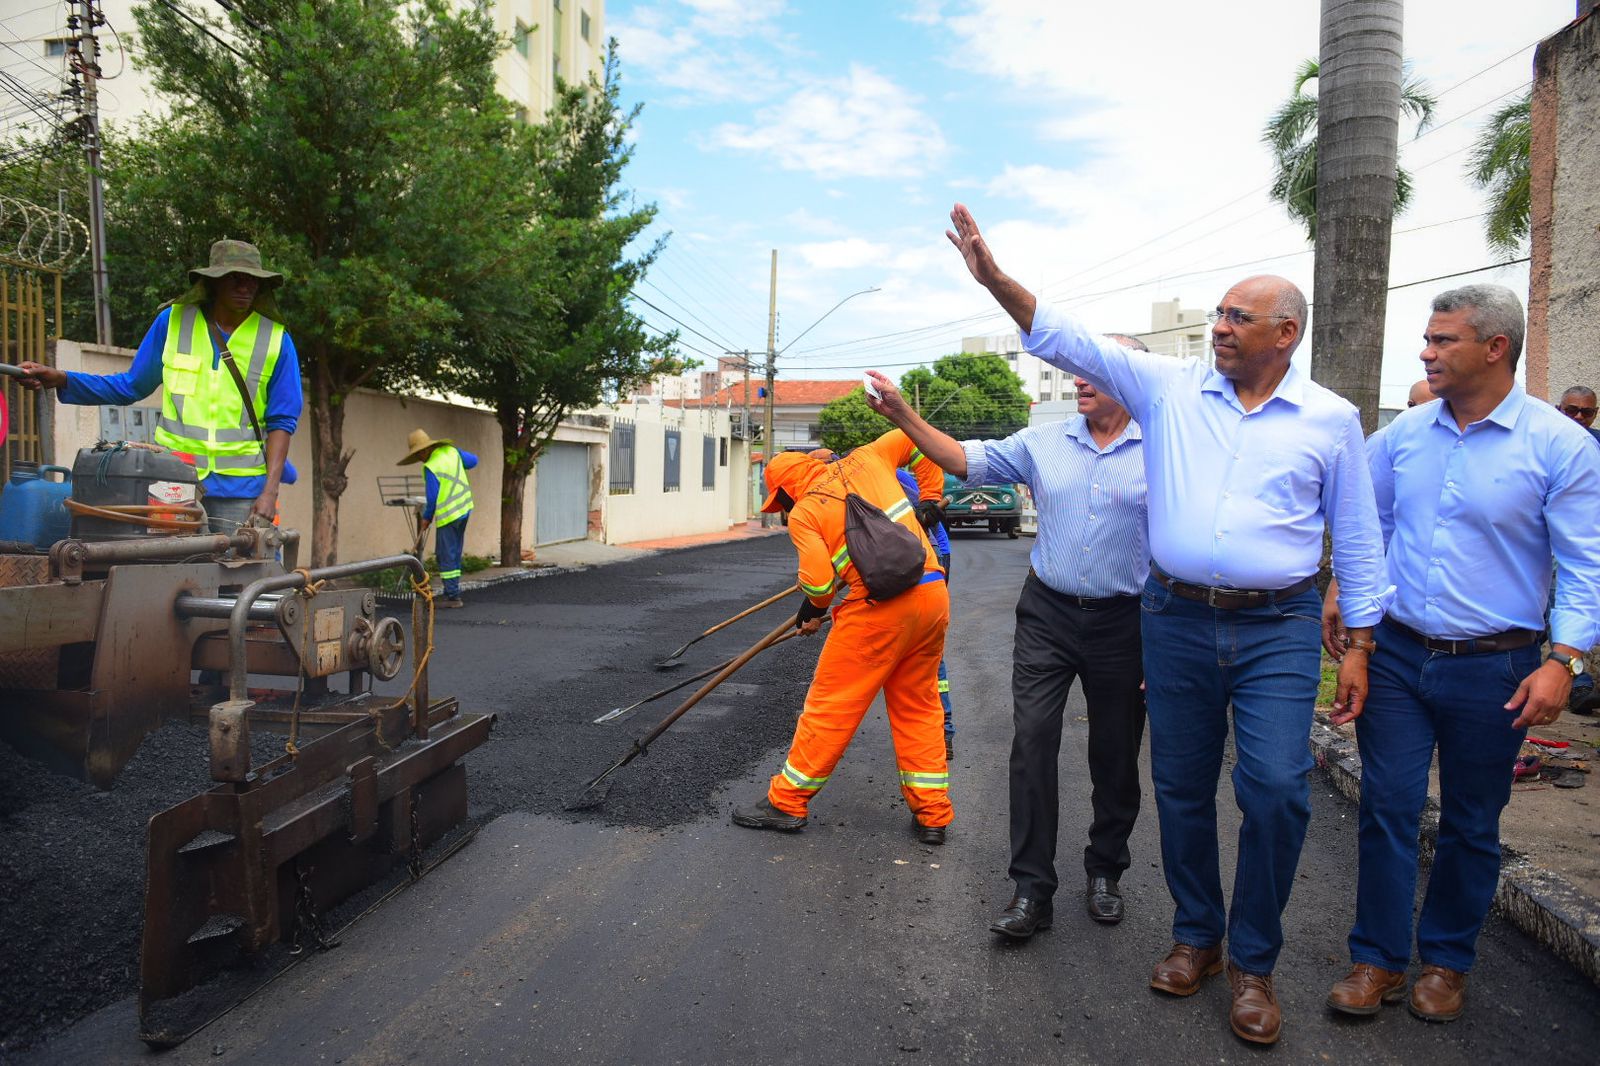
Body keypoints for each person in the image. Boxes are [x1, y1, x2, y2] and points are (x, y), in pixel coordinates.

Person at [945, 203, 1389, 1046]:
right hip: (1175, 616)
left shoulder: (1330, 420)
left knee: (1274, 790)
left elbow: (1358, 538)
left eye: (1235, 316)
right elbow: (1070, 339)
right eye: (1218, 313)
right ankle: (1199, 938)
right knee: (1182, 788)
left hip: (1280, 627)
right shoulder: (1170, 387)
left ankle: (1254, 963)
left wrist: (1360, 643)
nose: (1218, 327)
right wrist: (998, 281)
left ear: (1285, 333)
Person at [1322, 286, 1600, 1023]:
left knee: (1474, 821)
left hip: (1499, 668)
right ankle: (1375, 959)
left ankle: (1446, 961)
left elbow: (1586, 564)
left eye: (1443, 340)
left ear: (1495, 347)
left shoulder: (1559, 445)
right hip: (1400, 657)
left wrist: (1564, 660)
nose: (1426, 351)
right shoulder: (1404, 438)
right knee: (1388, 806)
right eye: (1428, 338)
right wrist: (1344, 601)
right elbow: (1365, 526)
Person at [866, 360, 1149, 934]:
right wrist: (902, 413)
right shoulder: (1044, 441)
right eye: (1077, 372)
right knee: (1032, 743)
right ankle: (1031, 889)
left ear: (1134, 379)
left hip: (1128, 621)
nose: (1081, 381)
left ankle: (1105, 870)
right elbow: (965, 460)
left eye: (1094, 372)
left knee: (1115, 753)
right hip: (1048, 612)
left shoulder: (1166, 448)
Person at [733, 430, 951, 844]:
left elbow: (817, 584)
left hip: (878, 615)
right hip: (931, 596)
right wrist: (928, 499)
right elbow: (920, 439)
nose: (784, 510)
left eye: (781, 501)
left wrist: (812, 613)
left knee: (830, 708)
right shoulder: (871, 455)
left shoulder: (805, 513)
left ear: (788, 488)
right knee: (919, 707)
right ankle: (933, 814)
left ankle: (786, 802)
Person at [17, 240, 300, 532]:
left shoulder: (276, 339)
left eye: (253, 280)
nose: (246, 287)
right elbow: (130, 387)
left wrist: (270, 492)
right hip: (175, 480)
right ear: (213, 282)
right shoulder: (173, 322)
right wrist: (64, 379)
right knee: (175, 568)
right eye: (235, 278)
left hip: (242, 490)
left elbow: (283, 421)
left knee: (244, 573)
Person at [398, 428, 477, 609]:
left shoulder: (431, 466)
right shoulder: (451, 451)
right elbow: (473, 461)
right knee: (454, 551)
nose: (419, 458)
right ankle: (453, 590)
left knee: (445, 554)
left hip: (449, 514)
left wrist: (426, 517)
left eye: (418, 455)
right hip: (464, 509)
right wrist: (456, 461)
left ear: (425, 450)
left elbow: (432, 499)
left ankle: (453, 596)